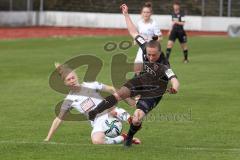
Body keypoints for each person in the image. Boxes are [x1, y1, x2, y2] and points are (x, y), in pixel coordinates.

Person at [88, 4, 180, 147]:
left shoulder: (164, 64)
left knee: (136, 119)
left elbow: (174, 79)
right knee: (119, 94)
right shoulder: (145, 47)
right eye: (148, 54)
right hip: (141, 81)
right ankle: (94, 112)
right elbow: (133, 32)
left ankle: (129, 137)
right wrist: (126, 14)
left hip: (154, 92)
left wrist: (174, 87)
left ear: (159, 52)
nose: (149, 57)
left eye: (153, 55)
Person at [44, 63, 141, 145]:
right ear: (65, 83)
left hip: (108, 113)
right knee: (97, 141)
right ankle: (124, 138)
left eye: (73, 78)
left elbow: (111, 89)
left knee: (112, 108)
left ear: (76, 76)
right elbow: (58, 119)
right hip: (97, 121)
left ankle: (131, 120)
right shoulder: (69, 100)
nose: (72, 81)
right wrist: (48, 138)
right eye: (68, 80)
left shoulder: (91, 85)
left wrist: (128, 99)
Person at [134, 1, 162, 75]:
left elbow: (160, 37)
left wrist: (152, 42)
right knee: (137, 68)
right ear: (142, 13)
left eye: (148, 12)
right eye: (144, 12)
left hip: (150, 50)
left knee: (151, 70)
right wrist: (135, 40)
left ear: (151, 13)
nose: (146, 14)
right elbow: (137, 34)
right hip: (141, 48)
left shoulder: (154, 24)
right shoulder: (139, 23)